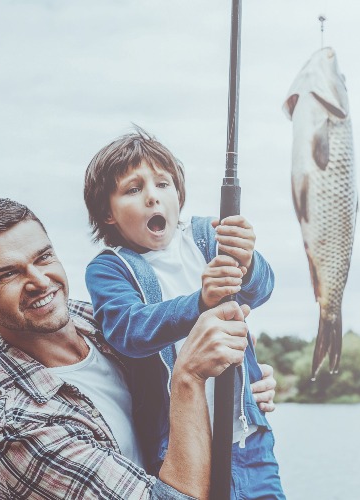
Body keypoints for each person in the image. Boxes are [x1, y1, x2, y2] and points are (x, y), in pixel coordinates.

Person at [0, 197, 277, 499]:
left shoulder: (98, 319)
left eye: (43, 257)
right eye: (7, 275)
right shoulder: (18, 427)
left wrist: (236, 389)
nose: (40, 282)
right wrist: (190, 378)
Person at [83, 127, 284, 499]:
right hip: (180, 446)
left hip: (248, 438)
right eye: (132, 189)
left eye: (163, 184)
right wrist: (200, 302)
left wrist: (248, 260)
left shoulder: (208, 235)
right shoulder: (110, 268)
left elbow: (263, 289)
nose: (152, 197)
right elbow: (130, 330)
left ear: (178, 192)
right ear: (107, 214)